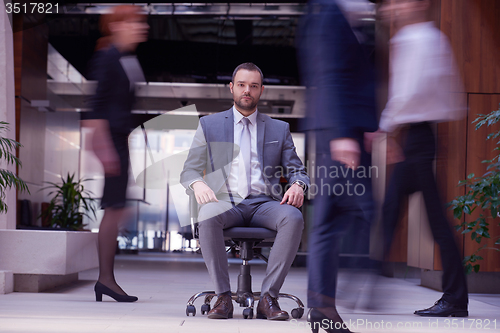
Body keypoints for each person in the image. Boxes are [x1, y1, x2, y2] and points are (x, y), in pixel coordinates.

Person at [180, 62, 310, 320]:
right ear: (232, 88)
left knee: (293, 217)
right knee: (207, 214)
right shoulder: (209, 125)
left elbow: (297, 170)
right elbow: (189, 170)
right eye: (241, 85)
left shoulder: (279, 129)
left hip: (265, 203)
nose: (246, 91)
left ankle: (268, 298)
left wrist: (298, 184)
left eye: (253, 86)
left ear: (261, 90)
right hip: (225, 201)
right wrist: (198, 183)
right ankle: (223, 297)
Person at [365, 0, 468, 317]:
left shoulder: (418, 40)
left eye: (400, 1)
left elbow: (409, 92)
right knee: (393, 209)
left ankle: (454, 299)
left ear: (418, 4)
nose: (393, 6)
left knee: (434, 220)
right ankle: (370, 287)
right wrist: (398, 134)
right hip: (416, 136)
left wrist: (384, 127)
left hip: (419, 137)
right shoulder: (422, 38)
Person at [297, 0, 378, 332]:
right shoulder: (330, 12)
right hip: (339, 132)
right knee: (337, 219)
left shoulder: (339, 15)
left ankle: (324, 302)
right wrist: (344, 134)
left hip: (348, 130)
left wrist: (367, 127)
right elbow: (329, 74)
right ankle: (324, 303)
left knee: (343, 216)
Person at [82, 5, 149, 302]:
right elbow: (95, 106)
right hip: (112, 140)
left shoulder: (126, 59)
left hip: (121, 139)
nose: (142, 27)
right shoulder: (108, 57)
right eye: (136, 22)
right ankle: (106, 280)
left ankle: (106, 279)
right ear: (119, 25)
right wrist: (103, 149)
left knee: (117, 208)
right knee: (114, 208)